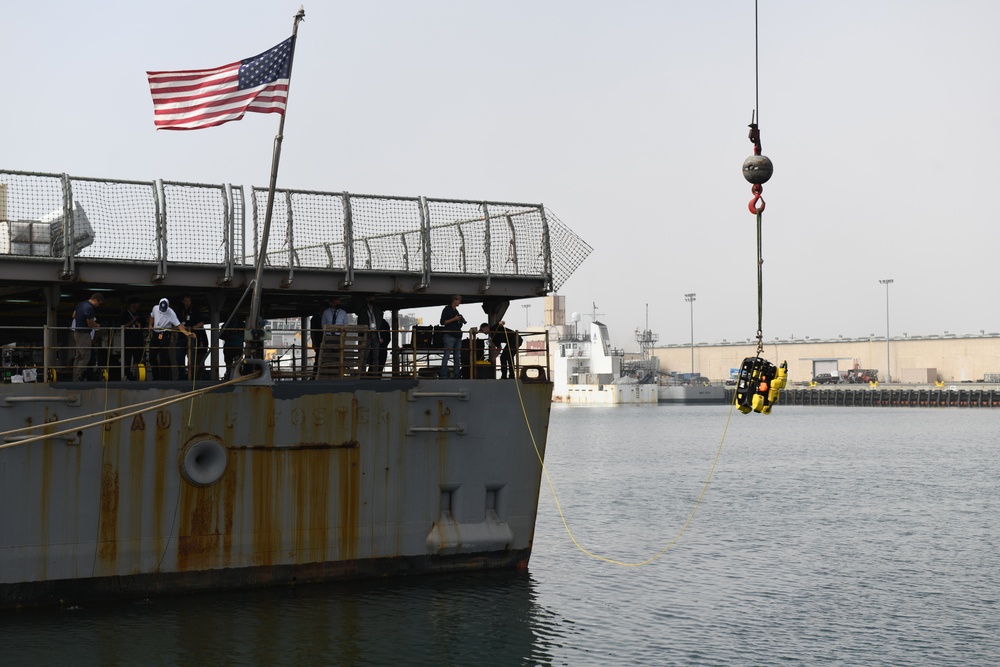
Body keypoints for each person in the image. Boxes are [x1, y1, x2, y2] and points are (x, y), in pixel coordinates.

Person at [148, 298, 193, 380]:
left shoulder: (171, 313)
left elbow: (179, 325)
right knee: (152, 356)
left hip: (165, 333)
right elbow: (152, 316)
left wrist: (187, 333)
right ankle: (156, 376)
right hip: (156, 333)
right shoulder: (155, 308)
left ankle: (163, 378)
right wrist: (150, 325)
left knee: (163, 357)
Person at [176, 293, 208, 381]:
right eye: (186, 301)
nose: (187, 303)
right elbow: (175, 323)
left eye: (189, 301)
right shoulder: (179, 311)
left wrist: (193, 328)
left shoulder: (195, 310)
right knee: (179, 357)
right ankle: (182, 376)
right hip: (181, 337)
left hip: (192, 337)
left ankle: (192, 377)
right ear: (183, 301)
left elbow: (201, 323)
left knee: (192, 358)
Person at [72, 293, 103, 381]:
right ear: (96, 300)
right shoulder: (89, 308)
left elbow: (73, 315)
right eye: (99, 303)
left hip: (77, 332)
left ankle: (75, 376)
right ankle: (77, 377)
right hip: (84, 334)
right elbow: (90, 323)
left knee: (78, 356)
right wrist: (97, 325)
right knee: (85, 357)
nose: (98, 306)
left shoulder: (80, 304)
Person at [439, 294, 465, 379]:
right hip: (449, 335)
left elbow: (457, 325)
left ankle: (457, 375)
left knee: (457, 357)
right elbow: (443, 322)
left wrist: (460, 321)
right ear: (454, 300)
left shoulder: (456, 311)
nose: (459, 302)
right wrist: (455, 319)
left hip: (457, 335)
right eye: (458, 300)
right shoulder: (447, 309)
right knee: (447, 355)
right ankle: (444, 375)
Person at [357, 295, 383, 377]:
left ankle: (375, 374)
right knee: (364, 355)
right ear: (367, 299)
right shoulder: (363, 310)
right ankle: (362, 374)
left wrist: (380, 336)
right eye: (371, 297)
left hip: (375, 333)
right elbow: (360, 323)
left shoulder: (377, 310)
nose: (372, 299)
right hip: (367, 333)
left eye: (373, 298)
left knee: (376, 355)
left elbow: (380, 323)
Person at [119, 296, 145, 380]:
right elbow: (122, 326)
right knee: (127, 358)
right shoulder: (125, 315)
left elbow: (144, 326)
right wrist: (132, 320)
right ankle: (126, 375)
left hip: (138, 340)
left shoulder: (140, 314)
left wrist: (139, 324)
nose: (139, 306)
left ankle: (137, 374)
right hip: (128, 340)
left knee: (138, 357)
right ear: (132, 304)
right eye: (137, 304)